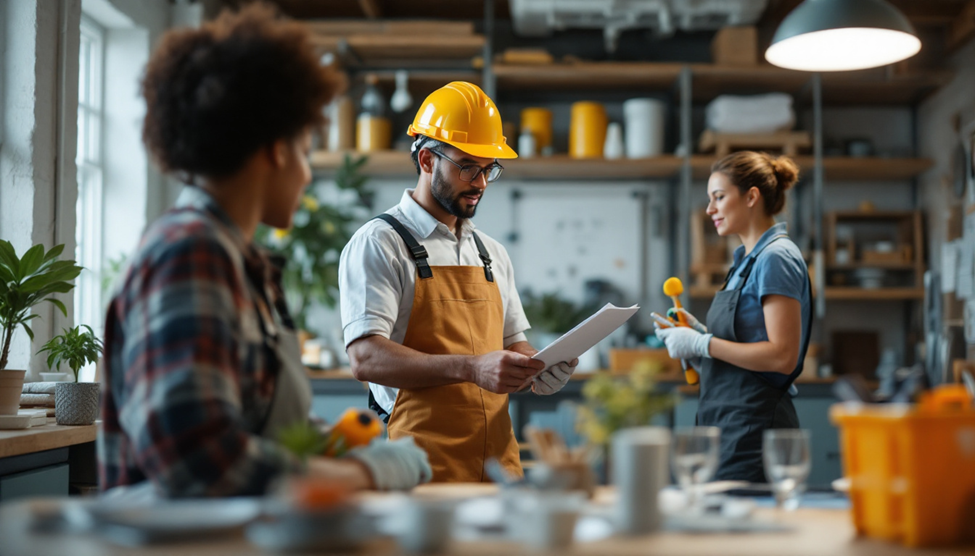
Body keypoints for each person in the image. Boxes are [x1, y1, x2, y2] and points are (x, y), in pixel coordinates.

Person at [99, 4, 430, 498]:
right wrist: (366, 474)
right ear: (275, 148)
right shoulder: (190, 253)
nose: (307, 172)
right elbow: (200, 461)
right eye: (303, 149)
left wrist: (342, 447)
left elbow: (263, 429)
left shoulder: (237, 262)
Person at [339, 82, 578, 483]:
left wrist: (541, 366)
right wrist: (470, 368)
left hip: (499, 469)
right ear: (428, 159)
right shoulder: (380, 243)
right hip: (419, 467)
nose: (481, 182)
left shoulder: (491, 252)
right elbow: (365, 358)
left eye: (489, 169)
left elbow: (511, 344)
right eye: (468, 166)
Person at [654, 151, 812, 483]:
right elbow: (744, 350)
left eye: (719, 197)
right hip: (728, 426)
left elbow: (782, 356)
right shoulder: (746, 261)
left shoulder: (776, 258)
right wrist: (697, 342)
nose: (710, 209)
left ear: (751, 196)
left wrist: (703, 343)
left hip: (754, 431)